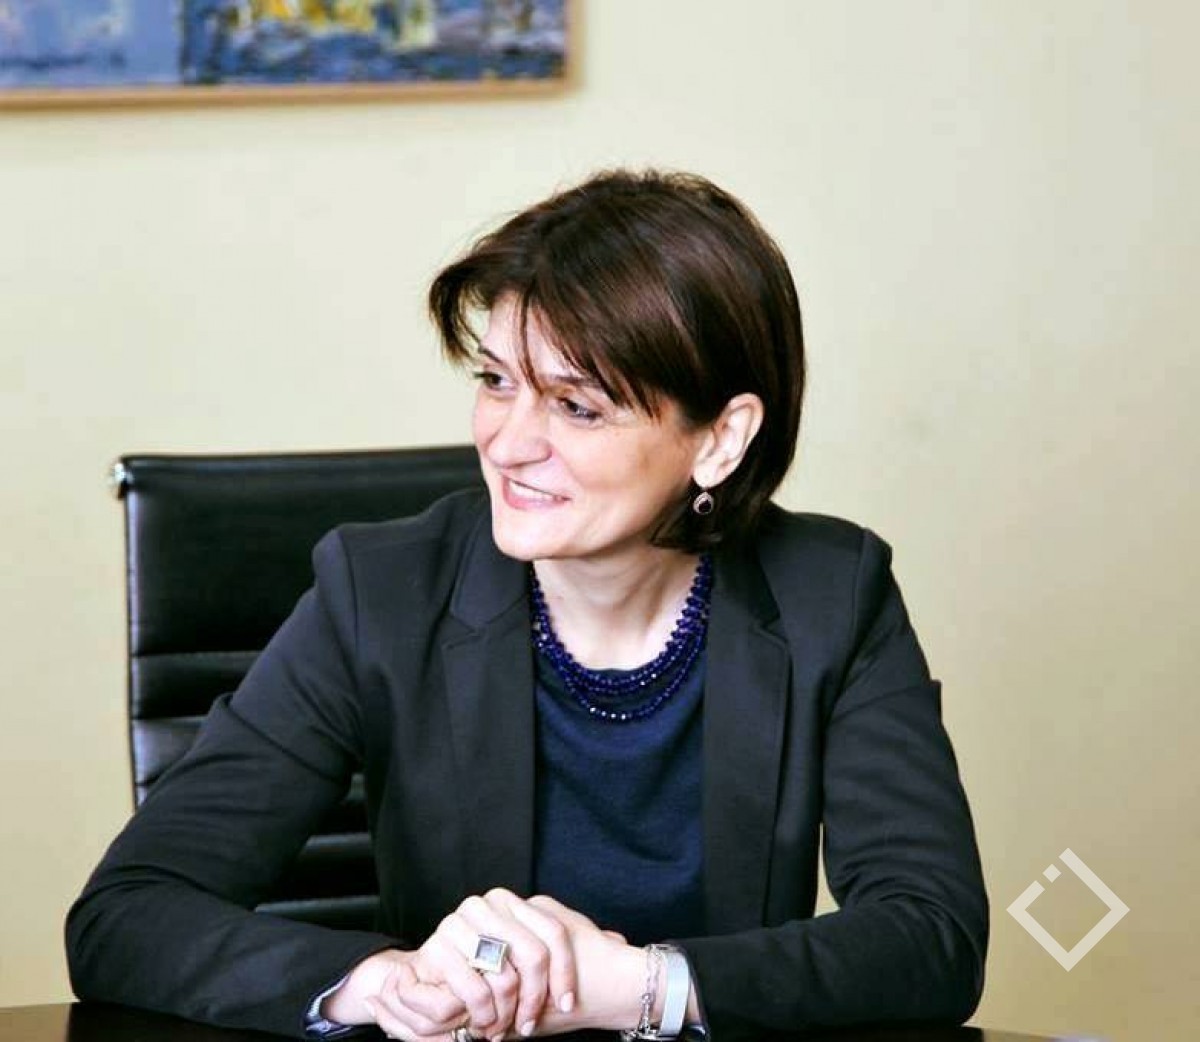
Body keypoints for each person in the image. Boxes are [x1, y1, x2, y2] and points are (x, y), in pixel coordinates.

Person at [66, 169, 988, 1041]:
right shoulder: (380, 593)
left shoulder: (832, 595)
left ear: (720, 439)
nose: (508, 444)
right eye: (497, 381)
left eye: (576, 407)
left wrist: (634, 987)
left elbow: (933, 936)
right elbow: (125, 915)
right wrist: (382, 982)